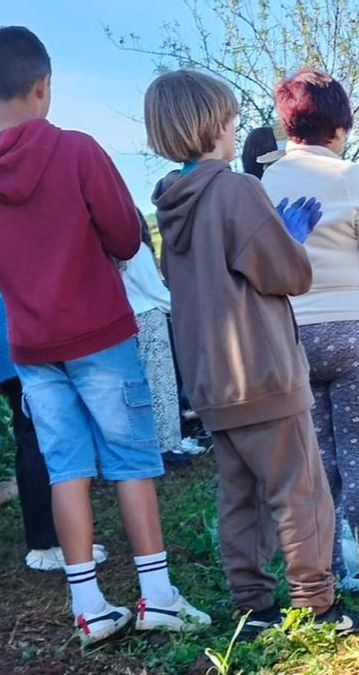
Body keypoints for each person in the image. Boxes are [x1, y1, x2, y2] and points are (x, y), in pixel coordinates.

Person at [0, 27, 209, 645]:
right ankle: (158, 596)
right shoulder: (78, 151)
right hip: (100, 333)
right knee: (131, 463)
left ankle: (89, 607)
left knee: (66, 470)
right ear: (43, 86)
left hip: (33, 348)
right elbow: (125, 236)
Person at [145, 69, 359, 637]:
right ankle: (318, 604)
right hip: (264, 373)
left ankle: (254, 605)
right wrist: (289, 239)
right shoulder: (237, 190)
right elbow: (289, 274)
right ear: (218, 126)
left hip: (213, 383)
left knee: (240, 496)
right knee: (301, 493)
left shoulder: (171, 208)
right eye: (234, 120)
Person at [261, 69, 359, 596]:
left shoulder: (267, 182)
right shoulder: (348, 175)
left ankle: (332, 569)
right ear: (339, 123)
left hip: (295, 332)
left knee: (321, 464)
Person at [1, 294, 111, 572]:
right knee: (38, 436)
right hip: (17, 344)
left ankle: (49, 540)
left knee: (34, 435)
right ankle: (45, 544)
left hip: (16, 343)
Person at [118, 216, 204, 464]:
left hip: (128, 319)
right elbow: (155, 292)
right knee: (162, 384)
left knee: (145, 387)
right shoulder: (137, 250)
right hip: (149, 318)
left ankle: (159, 443)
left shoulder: (113, 256)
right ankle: (169, 445)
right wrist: (186, 306)